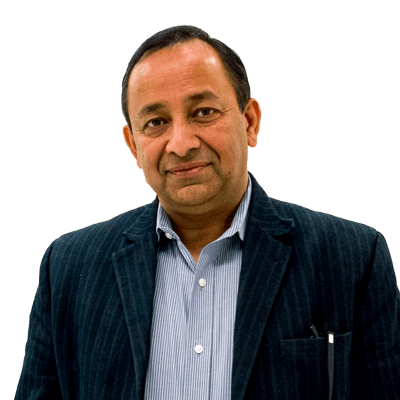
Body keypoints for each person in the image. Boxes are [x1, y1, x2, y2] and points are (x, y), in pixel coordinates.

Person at [15, 25, 399, 400]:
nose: (180, 144)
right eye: (156, 122)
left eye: (203, 112)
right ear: (133, 144)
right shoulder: (68, 268)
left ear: (250, 122)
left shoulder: (352, 260)